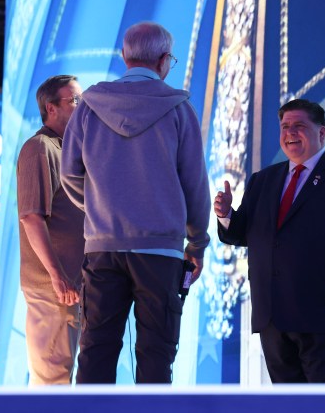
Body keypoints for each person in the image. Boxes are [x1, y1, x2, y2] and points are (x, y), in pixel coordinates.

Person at [61, 21, 211, 384]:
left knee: (96, 351)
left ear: (125, 57)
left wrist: (103, 204)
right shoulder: (178, 109)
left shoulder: (89, 106)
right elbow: (194, 182)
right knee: (156, 354)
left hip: (102, 247)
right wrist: (198, 241)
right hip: (160, 251)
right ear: (163, 60)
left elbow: (69, 173)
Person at [214, 99, 325, 383]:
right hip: (274, 317)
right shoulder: (262, 181)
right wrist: (227, 214)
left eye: (299, 126)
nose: (290, 132)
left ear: (322, 132)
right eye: (285, 126)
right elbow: (244, 234)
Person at [17, 74, 86, 385]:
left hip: (75, 286)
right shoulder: (39, 148)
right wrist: (58, 277)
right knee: (52, 382)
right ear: (51, 108)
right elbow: (32, 217)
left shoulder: (69, 149)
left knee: (70, 380)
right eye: (74, 101)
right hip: (54, 289)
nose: (82, 106)